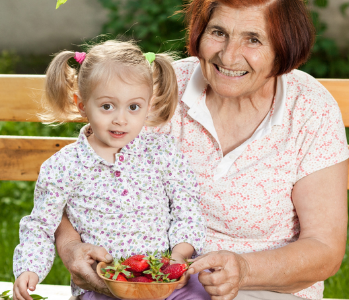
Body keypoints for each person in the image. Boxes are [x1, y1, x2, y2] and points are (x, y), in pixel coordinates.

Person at [53, 1, 349, 299]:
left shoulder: (310, 108)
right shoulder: (159, 89)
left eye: (253, 39)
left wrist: (244, 270)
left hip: (262, 289)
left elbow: (324, 247)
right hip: (147, 284)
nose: (229, 55)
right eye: (218, 32)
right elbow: (75, 186)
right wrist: (71, 249)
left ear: (284, 47)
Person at [12, 40, 207, 300]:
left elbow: (187, 205)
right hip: (104, 283)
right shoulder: (63, 167)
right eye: (107, 106)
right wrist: (29, 269)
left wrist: (179, 256)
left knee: (200, 295)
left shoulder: (163, 152)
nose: (120, 119)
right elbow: (41, 224)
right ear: (81, 104)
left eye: (134, 107)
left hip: (163, 279)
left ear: (149, 105)